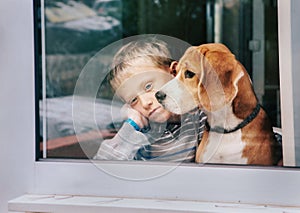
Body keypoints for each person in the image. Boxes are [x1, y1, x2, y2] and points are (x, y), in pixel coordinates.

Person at [93, 37, 207, 162]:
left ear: (173, 72)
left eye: (148, 86)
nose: (145, 103)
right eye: (133, 100)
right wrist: (131, 125)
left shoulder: (200, 115)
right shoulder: (142, 134)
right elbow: (103, 165)